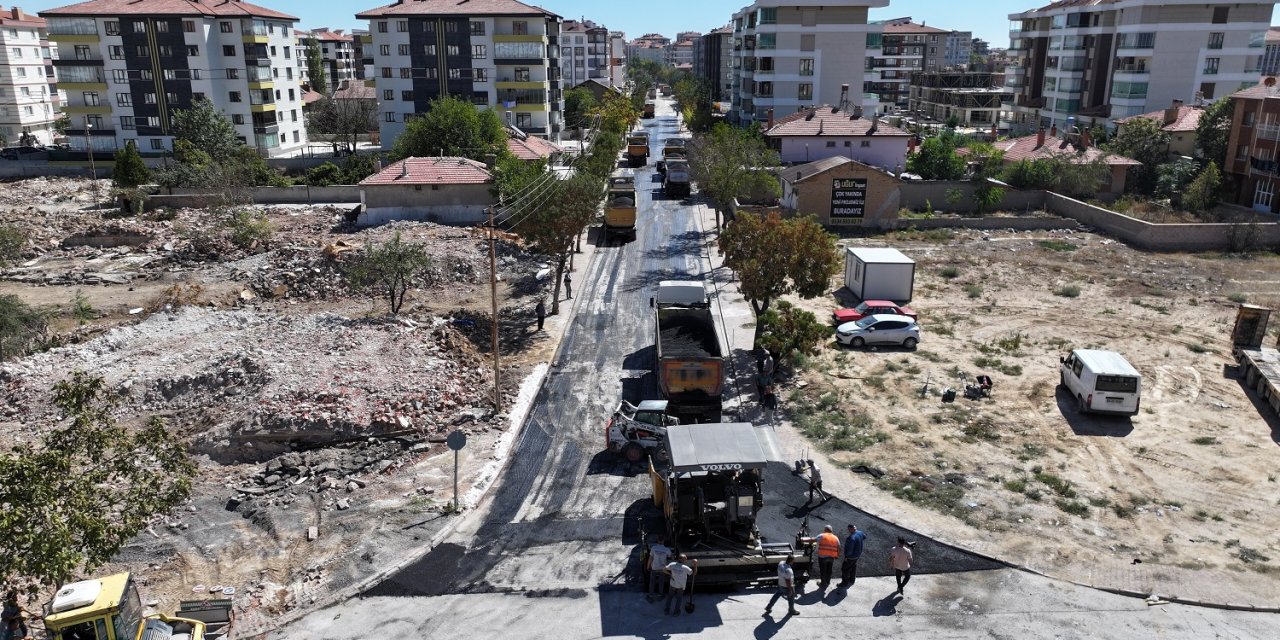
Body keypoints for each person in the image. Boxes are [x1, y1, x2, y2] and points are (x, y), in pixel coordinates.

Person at [838, 524, 866, 589]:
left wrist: (846, 557)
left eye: (849, 529)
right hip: (858, 555)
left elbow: (850, 550)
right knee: (853, 566)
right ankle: (852, 579)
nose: (848, 531)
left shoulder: (851, 538)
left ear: (851, 529)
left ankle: (844, 583)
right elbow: (864, 537)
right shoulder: (860, 533)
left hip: (851, 557)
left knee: (845, 569)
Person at [815, 525, 840, 589]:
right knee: (829, 570)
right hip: (831, 557)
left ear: (826, 530)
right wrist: (837, 555)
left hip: (822, 557)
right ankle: (828, 581)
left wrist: (804, 540)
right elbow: (839, 547)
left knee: (823, 570)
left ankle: (823, 583)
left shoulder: (822, 535)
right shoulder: (836, 538)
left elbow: (814, 540)